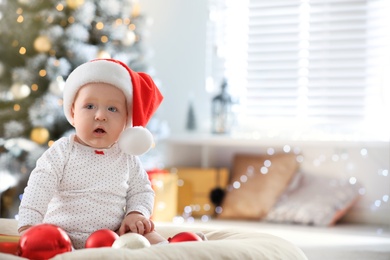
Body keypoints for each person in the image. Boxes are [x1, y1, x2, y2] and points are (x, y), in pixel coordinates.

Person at [17, 59, 166, 249]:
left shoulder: (126, 156)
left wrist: (136, 213)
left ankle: (179, 248)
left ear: (125, 120)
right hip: (62, 235)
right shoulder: (62, 151)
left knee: (149, 238)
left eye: (113, 109)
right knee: (44, 244)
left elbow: (141, 190)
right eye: (89, 106)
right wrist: (29, 227)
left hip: (113, 237)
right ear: (72, 112)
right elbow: (38, 188)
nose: (100, 116)